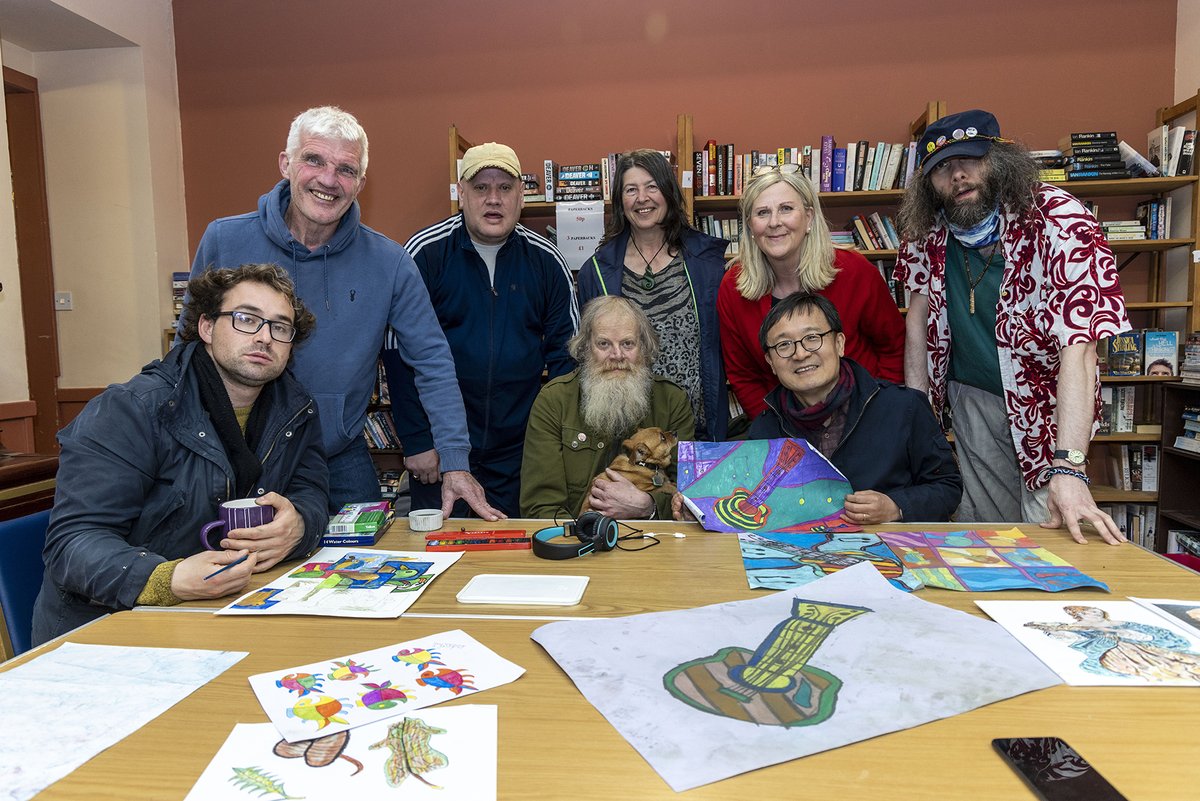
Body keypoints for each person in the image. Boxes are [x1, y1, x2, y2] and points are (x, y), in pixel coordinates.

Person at [186, 106, 500, 520]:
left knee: (371, 555)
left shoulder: (390, 262)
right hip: (233, 450)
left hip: (335, 452)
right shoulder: (224, 239)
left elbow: (432, 359)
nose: (329, 180)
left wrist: (455, 461)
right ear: (285, 164)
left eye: (346, 169)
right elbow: (187, 346)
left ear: (361, 184)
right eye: (314, 160)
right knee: (225, 555)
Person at [32, 264, 328, 643]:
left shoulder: (297, 408)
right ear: (206, 327)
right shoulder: (131, 409)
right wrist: (166, 579)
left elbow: (311, 489)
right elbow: (72, 543)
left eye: (280, 327)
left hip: (223, 615)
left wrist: (300, 524)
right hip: (106, 628)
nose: (264, 337)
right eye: (246, 319)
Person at [895, 109, 1130, 543]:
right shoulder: (924, 231)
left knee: (1052, 529)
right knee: (987, 536)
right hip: (972, 399)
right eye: (942, 168)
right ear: (928, 183)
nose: (958, 175)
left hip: (1048, 404)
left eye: (970, 159)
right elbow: (918, 324)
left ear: (999, 160)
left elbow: (1080, 348)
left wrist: (1069, 467)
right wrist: (918, 422)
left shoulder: (1060, 220)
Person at [386, 142, 578, 517]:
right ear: (461, 194)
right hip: (440, 451)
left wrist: (554, 441)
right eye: (481, 188)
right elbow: (397, 351)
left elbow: (566, 359)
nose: (494, 199)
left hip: (521, 451)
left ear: (521, 196)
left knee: (516, 547)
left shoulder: (547, 261)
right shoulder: (424, 253)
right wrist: (417, 440)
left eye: (505, 188)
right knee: (442, 546)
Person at [736, 292, 960, 524]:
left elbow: (948, 486)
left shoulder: (904, 407)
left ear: (839, 343)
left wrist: (897, 507)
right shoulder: (765, 430)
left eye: (812, 338)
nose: (800, 354)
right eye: (784, 345)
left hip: (888, 541)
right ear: (771, 362)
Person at [718, 167, 905, 420]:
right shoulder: (733, 287)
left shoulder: (854, 271)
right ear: (750, 225)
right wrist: (777, 430)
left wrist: (879, 411)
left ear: (808, 217)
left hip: (865, 413)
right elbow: (743, 375)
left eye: (786, 208)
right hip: (785, 424)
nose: (774, 222)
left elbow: (894, 347)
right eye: (762, 212)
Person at [577, 149, 730, 440]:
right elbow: (588, 356)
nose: (642, 198)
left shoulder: (707, 264)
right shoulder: (596, 273)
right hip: (628, 437)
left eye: (652, 186)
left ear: (668, 192)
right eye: (631, 190)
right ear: (620, 201)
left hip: (697, 431)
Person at [521, 296, 695, 519]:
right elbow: (539, 506)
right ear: (586, 347)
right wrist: (582, 534)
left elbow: (690, 495)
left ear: (644, 347)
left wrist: (649, 507)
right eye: (604, 344)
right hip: (575, 535)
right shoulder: (554, 401)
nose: (617, 355)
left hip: (655, 536)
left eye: (627, 344)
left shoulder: (672, 400)